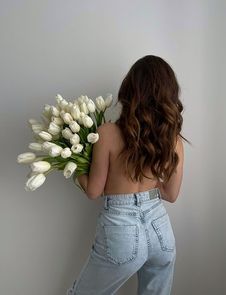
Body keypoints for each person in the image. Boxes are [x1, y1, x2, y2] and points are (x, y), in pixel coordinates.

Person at [67, 55, 190, 295]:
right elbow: (171, 194)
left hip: (121, 231)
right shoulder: (173, 139)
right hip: (160, 231)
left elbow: (94, 190)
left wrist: (74, 168)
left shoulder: (107, 134)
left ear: (129, 90)